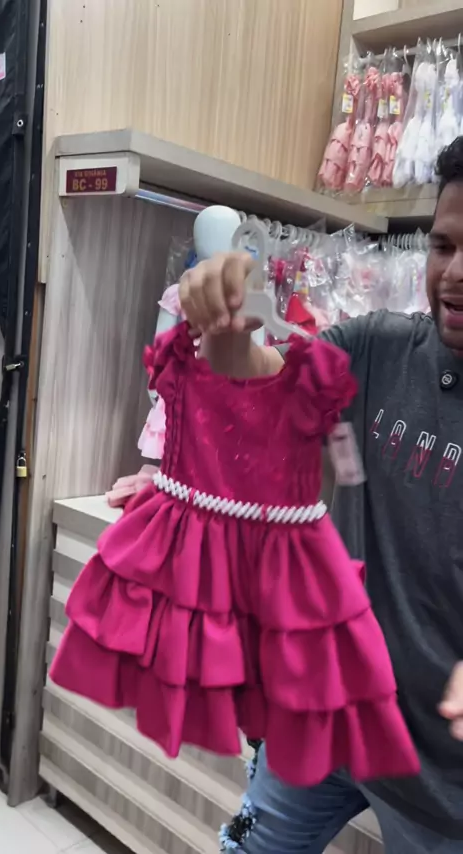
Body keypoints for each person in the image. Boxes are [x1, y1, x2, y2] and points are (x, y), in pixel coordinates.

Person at [177, 138, 463, 852]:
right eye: (443, 246)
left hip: (443, 786)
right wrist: (228, 335)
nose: (455, 273)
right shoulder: (380, 348)